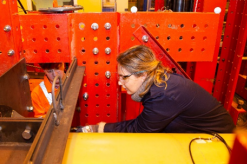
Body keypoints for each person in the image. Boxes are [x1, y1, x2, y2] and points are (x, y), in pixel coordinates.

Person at [93, 45, 235, 133]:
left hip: (218, 138)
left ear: (143, 75)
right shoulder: (159, 82)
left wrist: (103, 128)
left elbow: (141, 129)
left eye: (124, 77)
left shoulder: (163, 94)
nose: (120, 82)